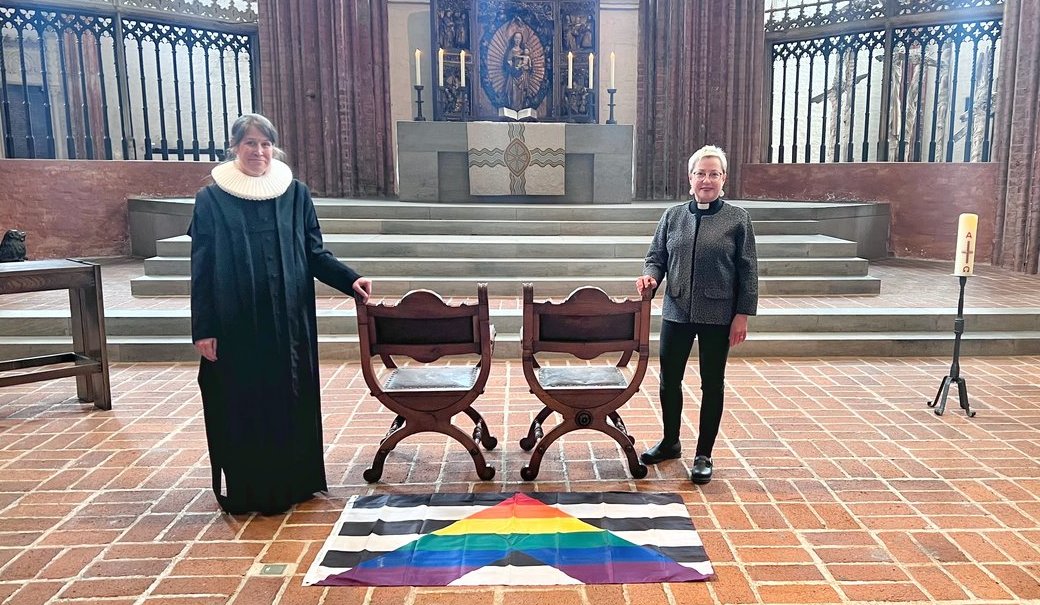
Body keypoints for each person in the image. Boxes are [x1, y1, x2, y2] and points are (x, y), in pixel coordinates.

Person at [189, 113, 372, 515]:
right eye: (250, 143)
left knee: (290, 395)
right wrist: (204, 328)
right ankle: (252, 488)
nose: (258, 151)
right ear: (234, 147)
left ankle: (296, 480)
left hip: (290, 322)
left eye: (265, 144)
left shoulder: (295, 193)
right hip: (237, 323)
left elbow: (314, 252)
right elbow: (201, 267)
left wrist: (350, 280)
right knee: (246, 399)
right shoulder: (211, 199)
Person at [636, 145, 758, 485]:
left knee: (712, 384)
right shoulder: (673, 216)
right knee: (668, 380)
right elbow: (656, 257)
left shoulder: (737, 220)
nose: (706, 180)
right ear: (690, 178)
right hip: (676, 309)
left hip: (719, 314)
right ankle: (671, 441)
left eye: (713, 174)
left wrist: (742, 315)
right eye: (700, 173)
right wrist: (650, 277)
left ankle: (704, 453)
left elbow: (749, 271)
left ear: (724, 180)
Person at [502, 31, 532, 110]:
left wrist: (526, 67)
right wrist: (511, 66)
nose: (517, 40)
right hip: (513, 76)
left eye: (519, 38)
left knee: (522, 93)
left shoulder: (524, 52)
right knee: (512, 93)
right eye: (516, 38)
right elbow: (506, 64)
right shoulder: (510, 51)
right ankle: (512, 108)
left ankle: (522, 108)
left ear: (521, 40)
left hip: (522, 76)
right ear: (513, 39)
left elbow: (529, 65)